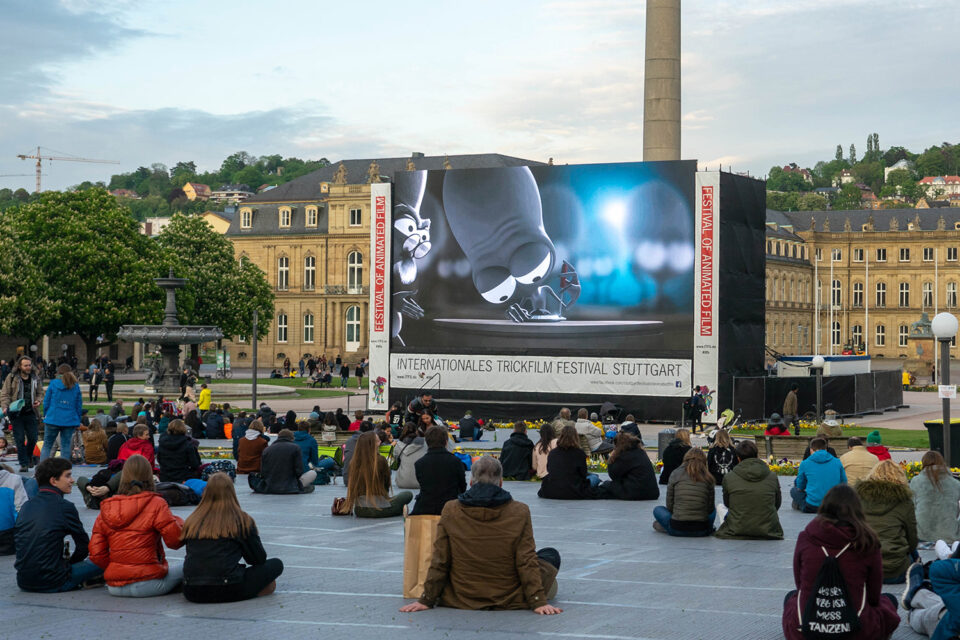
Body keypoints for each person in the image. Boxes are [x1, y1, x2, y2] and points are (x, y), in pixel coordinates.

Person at [400, 455, 562, 615]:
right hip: (508, 596)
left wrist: (426, 599)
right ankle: (542, 589)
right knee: (550, 555)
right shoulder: (519, 511)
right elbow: (526, 560)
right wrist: (537, 601)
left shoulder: (451, 509)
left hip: (462, 596)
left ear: (471, 482)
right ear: (500, 482)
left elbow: (440, 559)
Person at [781, 485, 901, 640]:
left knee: (791, 597)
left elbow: (800, 586)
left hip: (806, 630)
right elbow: (873, 596)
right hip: (856, 631)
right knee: (890, 600)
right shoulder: (867, 542)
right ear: (857, 510)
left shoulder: (806, 537)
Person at [88, 454, 185, 597]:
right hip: (148, 583)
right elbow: (175, 541)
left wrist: (118, 569)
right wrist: (178, 522)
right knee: (190, 563)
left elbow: (96, 554)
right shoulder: (155, 503)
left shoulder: (107, 507)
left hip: (115, 587)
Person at [181, 473, 284, 603]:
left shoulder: (193, 520)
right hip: (227, 587)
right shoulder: (241, 520)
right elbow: (257, 559)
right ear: (231, 493)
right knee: (276, 565)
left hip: (192, 590)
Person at [14, 457, 105, 592]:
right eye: (68, 476)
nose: (72, 480)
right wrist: (71, 565)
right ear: (53, 481)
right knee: (107, 558)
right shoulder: (64, 507)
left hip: (24, 580)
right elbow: (84, 546)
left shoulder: (27, 505)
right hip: (54, 581)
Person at [856, 459, 918, 583]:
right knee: (915, 557)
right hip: (895, 570)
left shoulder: (858, 498)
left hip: (864, 569)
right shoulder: (904, 502)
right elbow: (912, 538)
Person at [714, 440, 783, 540]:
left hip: (737, 527)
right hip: (768, 529)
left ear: (738, 458)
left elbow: (728, 503)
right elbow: (777, 504)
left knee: (722, 508)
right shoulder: (772, 476)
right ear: (756, 455)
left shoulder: (729, 477)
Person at [337, 432, 413, 517]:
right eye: (377, 441)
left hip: (359, 509)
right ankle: (397, 510)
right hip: (379, 508)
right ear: (371, 445)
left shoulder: (353, 462)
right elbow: (386, 484)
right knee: (407, 494)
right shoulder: (380, 460)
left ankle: (396, 509)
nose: (380, 442)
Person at [652, 448, 716, 536]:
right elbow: (710, 508)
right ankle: (709, 528)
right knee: (714, 510)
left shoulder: (676, 473)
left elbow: (670, 505)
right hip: (701, 529)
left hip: (677, 527)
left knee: (658, 510)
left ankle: (665, 526)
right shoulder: (708, 478)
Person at [1, 355, 44, 472]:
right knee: (19, 439)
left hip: (31, 412)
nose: (28, 367)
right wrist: (5, 407)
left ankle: (29, 456)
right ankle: (24, 463)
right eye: (25, 365)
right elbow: (5, 394)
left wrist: (38, 400)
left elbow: (40, 392)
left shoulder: (35, 378)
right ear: (19, 366)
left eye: (29, 365)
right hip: (16, 413)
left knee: (33, 438)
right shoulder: (12, 377)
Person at [411, 426, 467, 515]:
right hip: (450, 507)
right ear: (446, 442)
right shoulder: (455, 461)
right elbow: (463, 486)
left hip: (425, 507)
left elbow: (423, 486)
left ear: (427, 442)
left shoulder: (419, 463)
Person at [911, 450, 960, 546]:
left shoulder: (916, 481)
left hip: (922, 535)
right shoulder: (955, 484)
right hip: (950, 535)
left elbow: (911, 508)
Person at [538, 425, 600, 500]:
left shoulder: (553, 453)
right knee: (595, 477)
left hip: (553, 489)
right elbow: (583, 474)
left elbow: (549, 469)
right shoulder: (579, 453)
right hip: (574, 489)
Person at [250, 429, 317, 494]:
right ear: (292, 438)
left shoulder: (267, 450)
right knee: (313, 473)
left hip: (270, 486)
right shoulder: (296, 448)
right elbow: (299, 471)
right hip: (290, 486)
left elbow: (263, 471)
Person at [40, 363, 83, 462]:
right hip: (69, 419)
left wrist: (45, 414)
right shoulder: (75, 386)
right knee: (66, 446)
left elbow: (46, 401)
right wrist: (78, 419)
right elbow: (78, 405)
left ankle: (42, 469)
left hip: (53, 418)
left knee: (47, 445)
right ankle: (64, 471)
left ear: (58, 372)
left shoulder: (53, 383)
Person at [791, 437, 847, 513]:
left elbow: (800, 486)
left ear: (811, 449)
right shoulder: (837, 462)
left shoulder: (805, 463)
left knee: (794, 490)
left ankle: (801, 505)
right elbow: (844, 483)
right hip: (833, 505)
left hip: (812, 506)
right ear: (826, 449)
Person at [598, 433, 659, 500]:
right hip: (652, 493)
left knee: (607, 485)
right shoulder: (640, 452)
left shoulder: (624, 456)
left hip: (635, 493)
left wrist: (611, 458)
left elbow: (613, 475)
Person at [393, 422, 427, 490]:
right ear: (416, 430)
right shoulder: (425, 443)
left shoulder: (398, 445)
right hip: (422, 482)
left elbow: (395, 460)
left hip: (402, 482)